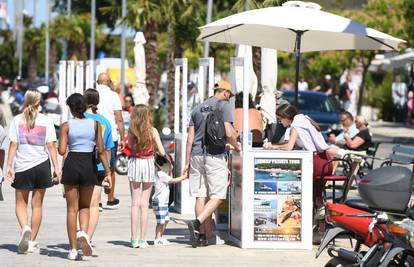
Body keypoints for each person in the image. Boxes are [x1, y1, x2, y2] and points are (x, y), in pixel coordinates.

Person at [185, 80, 240, 248]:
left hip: (196, 155)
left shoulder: (197, 108)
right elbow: (229, 132)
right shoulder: (223, 106)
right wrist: (237, 145)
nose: (229, 98)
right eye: (229, 95)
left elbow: (190, 139)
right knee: (218, 196)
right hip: (214, 156)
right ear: (224, 92)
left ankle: (203, 236)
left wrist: (187, 162)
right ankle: (197, 222)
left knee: (200, 196)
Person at [5, 90, 60, 254]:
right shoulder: (46, 120)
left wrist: (9, 166)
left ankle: (25, 227)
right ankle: (32, 241)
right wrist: (56, 167)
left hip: (22, 167)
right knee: (38, 205)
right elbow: (51, 146)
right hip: (42, 166)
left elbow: (13, 145)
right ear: (39, 102)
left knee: (20, 204)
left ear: (25, 101)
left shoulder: (17, 120)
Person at [59, 93, 111, 260]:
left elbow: (61, 151)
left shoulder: (66, 125)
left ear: (71, 108)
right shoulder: (95, 124)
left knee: (71, 209)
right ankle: (84, 233)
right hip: (89, 165)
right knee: (85, 206)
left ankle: (73, 250)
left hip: (72, 163)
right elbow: (101, 150)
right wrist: (108, 172)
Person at [263, 104, 334, 209]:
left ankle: (304, 212)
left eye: (280, 119)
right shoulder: (304, 120)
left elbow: (288, 146)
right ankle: (320, 217)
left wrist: (273, 146)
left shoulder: (296, 126)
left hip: (316, 162)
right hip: (324, 160)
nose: (280, 122)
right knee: (316, 195)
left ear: (286, 117)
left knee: (293, 181)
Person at [127, 104, 166, 249]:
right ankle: (143, 239)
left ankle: (133, 239)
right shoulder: (153, 131)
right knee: (144, 204)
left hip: (135, 163)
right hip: (148, 164)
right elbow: (162, 152)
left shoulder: (132, 131)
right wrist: (153, 148)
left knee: (135, 203)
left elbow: (130, 146)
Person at [83, 89, 114, 242]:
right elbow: (107, 149)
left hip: (81, 164)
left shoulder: (77, 118)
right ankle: (88, 238)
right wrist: (108, 171)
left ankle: (79, 233)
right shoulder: (105, 122)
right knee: (94, 205)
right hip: (100, 167)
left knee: (80, 203)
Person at [96, 72, 125, 209]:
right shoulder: (114, 96)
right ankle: (110, 198)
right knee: (111, 168)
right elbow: (119, 118)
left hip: (94, 134)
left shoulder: (91, 94)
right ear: (108, 82)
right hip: (111, 136)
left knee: (96, 166)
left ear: (97, 82)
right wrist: (122, 136)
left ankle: (97, 200)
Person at [152, 154, 188, 246]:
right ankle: (157, 237)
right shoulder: (161, 174)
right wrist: (183, 177)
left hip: (163, 202)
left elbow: (170, 178)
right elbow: (172, 180)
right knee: (161, 221)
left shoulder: (161, 174)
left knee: (166, 219)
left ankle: (160, 236)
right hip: (159, 202)